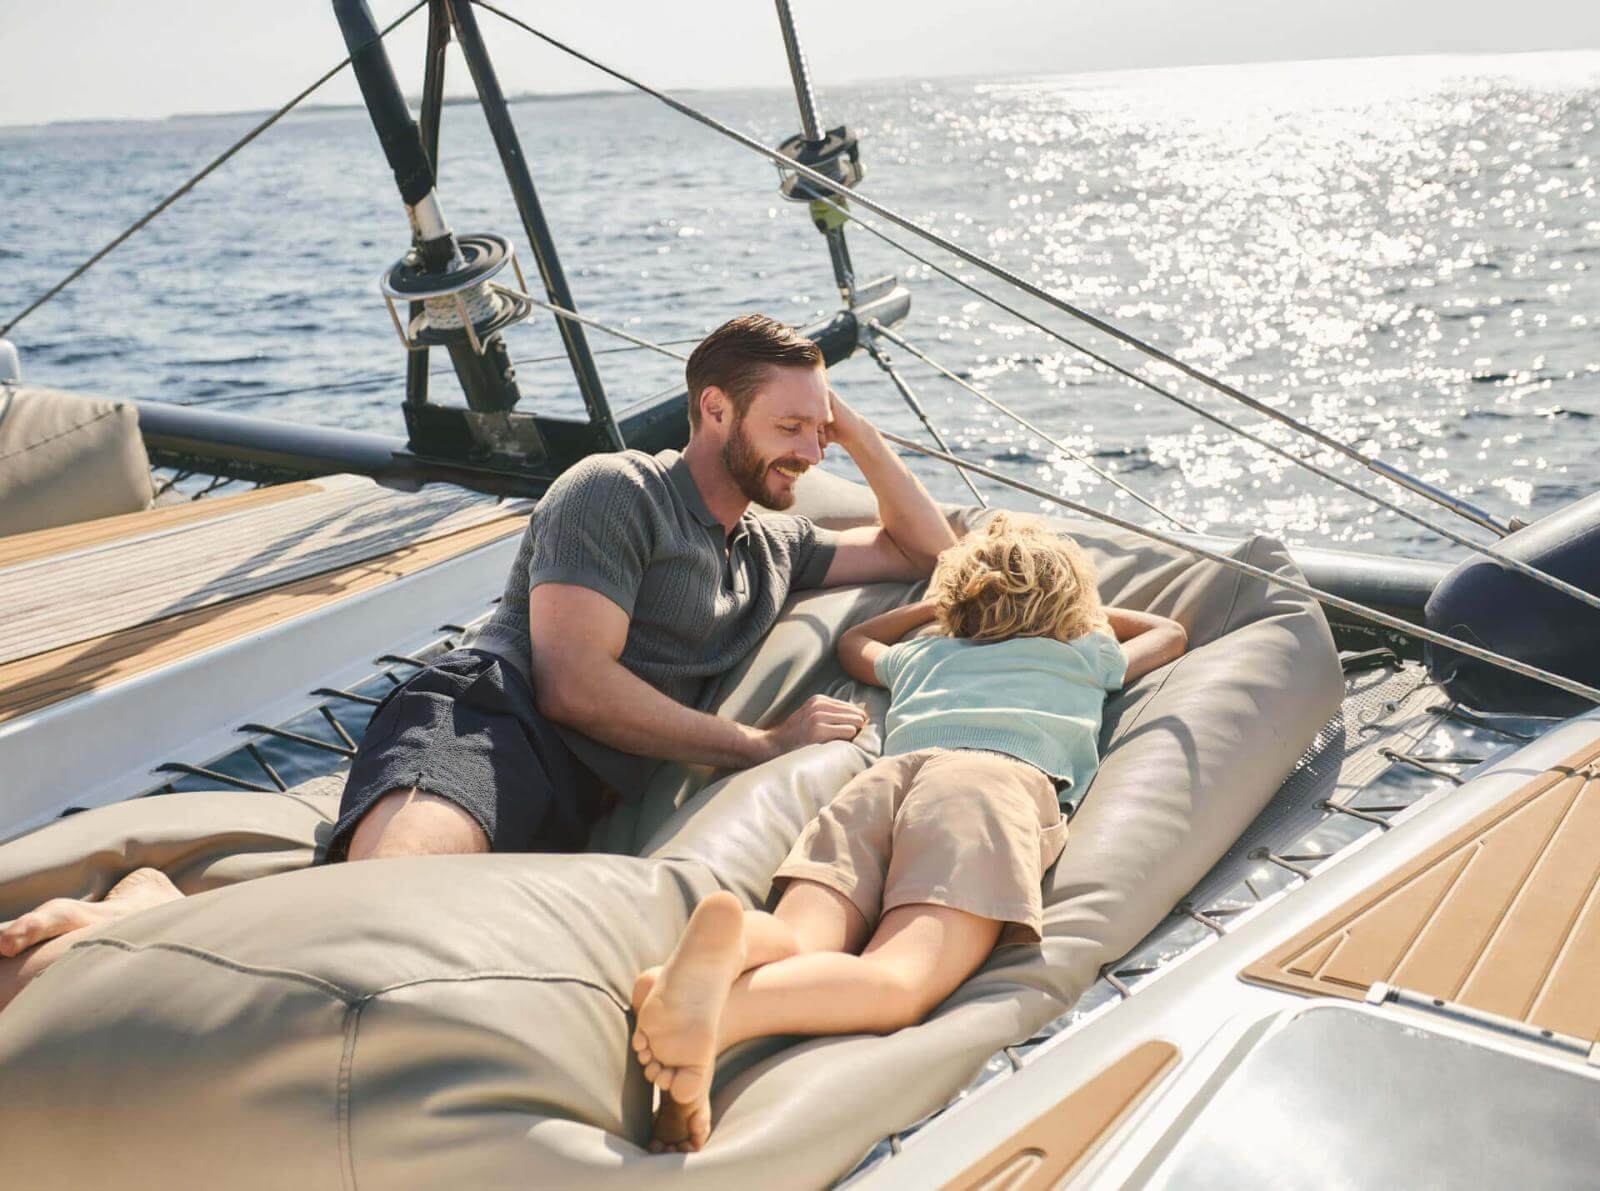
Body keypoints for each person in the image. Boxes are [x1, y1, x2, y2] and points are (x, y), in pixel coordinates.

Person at [0, 314, 958, 1011]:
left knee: (374, 941)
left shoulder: (771, 546)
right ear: (714, 411)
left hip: (574, 796)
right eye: (790, 428)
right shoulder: (617, 490)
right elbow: (572, 684)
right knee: (371, 917)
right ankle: (129, 921)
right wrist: (757, 742)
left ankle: (164, 899)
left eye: (816, 429)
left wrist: (857, 433)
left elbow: (926, 549)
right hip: (487, 724)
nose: (807, 450)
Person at [629, 513, 1188, 1152]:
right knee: (899, 979)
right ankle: (720, 1017)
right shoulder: (1086, 652)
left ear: (951, 602)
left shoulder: (924, 654)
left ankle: (720, 961)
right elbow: (1169, 633)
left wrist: (936, 608)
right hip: (985, 790)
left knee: (799, 936)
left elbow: (854, 642)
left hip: (884, 784)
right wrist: (1069, 607)